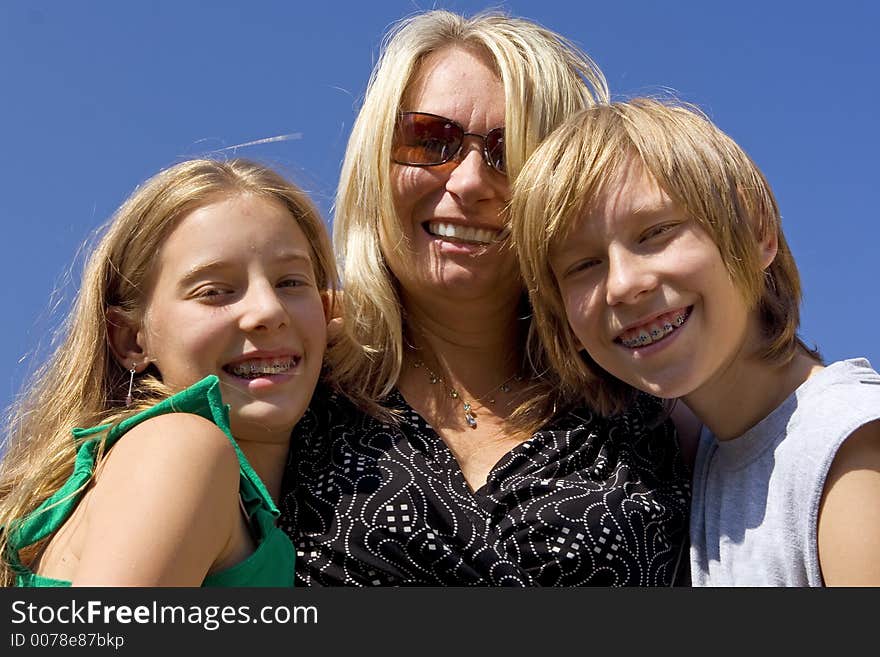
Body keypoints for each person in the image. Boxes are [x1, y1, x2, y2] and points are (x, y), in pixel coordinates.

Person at [279, 10, 691, 586]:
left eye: (511, 151)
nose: (469, 181)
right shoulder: (287, 384)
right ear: (374, 160)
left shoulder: (658, 398)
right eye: (429, 139)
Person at [510, 97, 880, 586]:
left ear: (756, 233)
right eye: (583, 265)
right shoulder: (702, 457)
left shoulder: (849, 448)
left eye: (656, 232)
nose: (623, 284)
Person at [0, 158, 335, 586]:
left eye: (291, 283)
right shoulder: (180, 450)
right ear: (132, 341)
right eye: (213, 291)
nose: (269, 311)